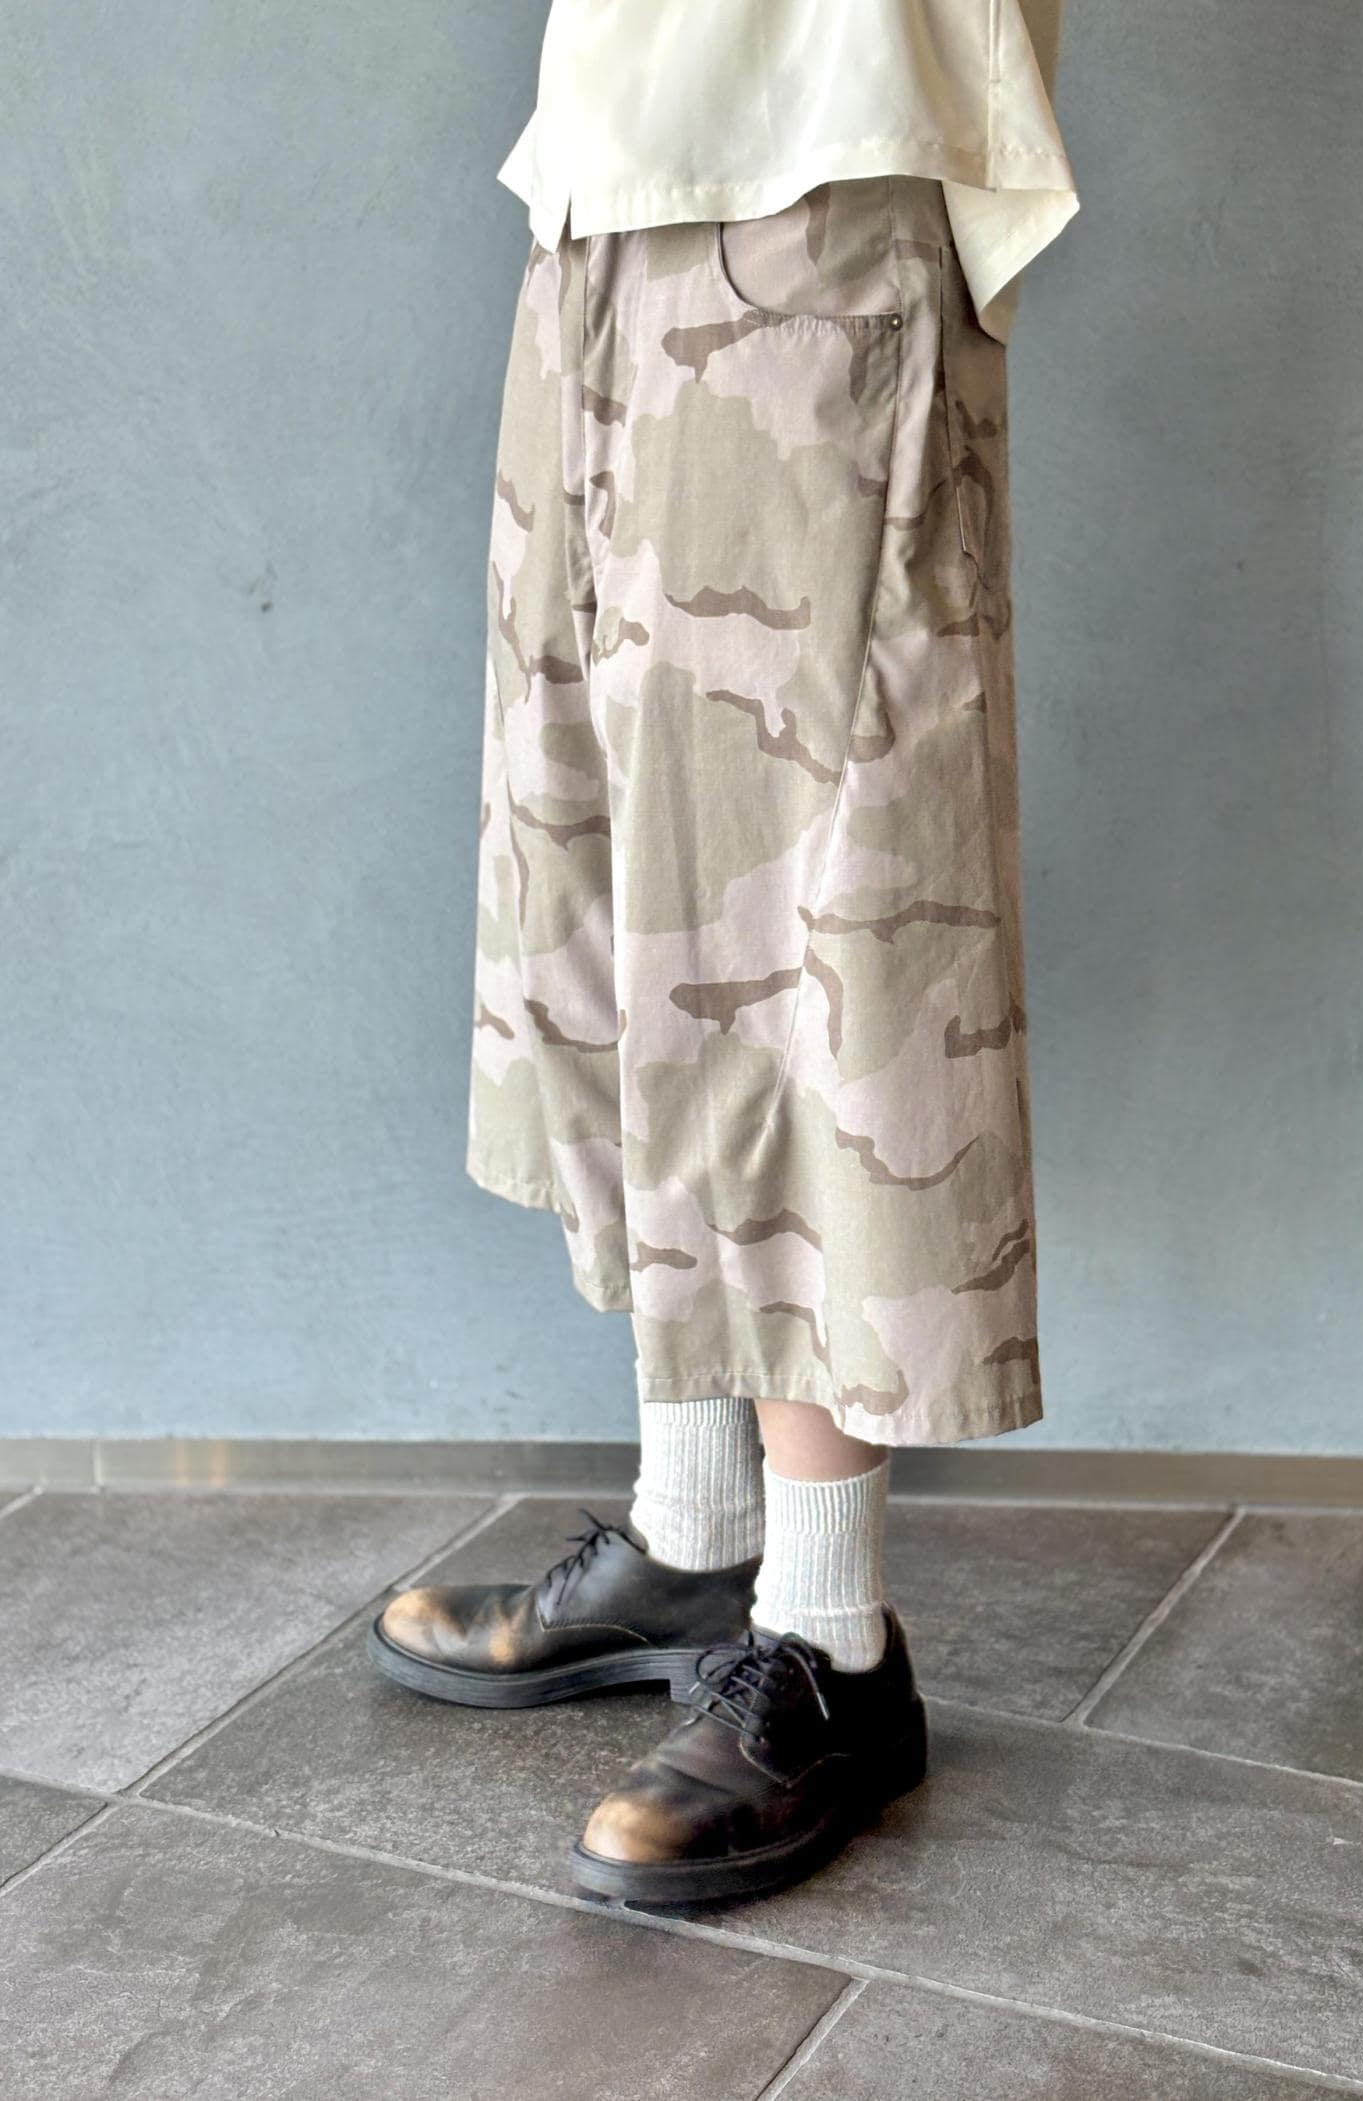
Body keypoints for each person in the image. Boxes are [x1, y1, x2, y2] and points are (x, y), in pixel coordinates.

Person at [368, 0, 1080, 1905]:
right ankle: (697, 1531)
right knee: (622, 866)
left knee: (817, 906)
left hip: (826, 152)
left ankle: (833, 1636)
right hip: (610, 170)